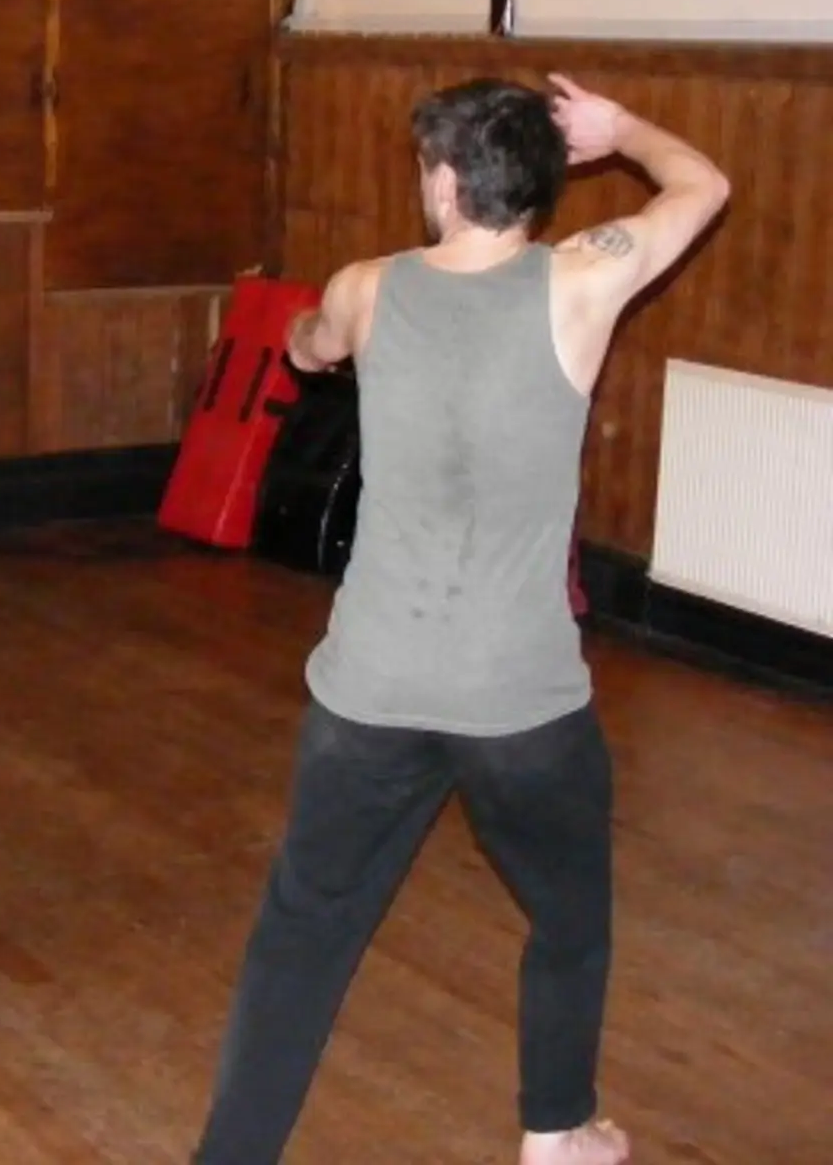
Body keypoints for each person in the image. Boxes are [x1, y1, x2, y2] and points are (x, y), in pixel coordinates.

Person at [191, 75, 730, 1165]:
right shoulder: (584, 281)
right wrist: (618, 131)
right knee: (569, 923)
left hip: (368, 691)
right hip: (517, 706)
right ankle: (554, 1132)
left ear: (440, 184)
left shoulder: (366, 287)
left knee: (300, 935)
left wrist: (310, 338)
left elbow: (308, 346)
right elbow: (701, 182)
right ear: (541, 183)